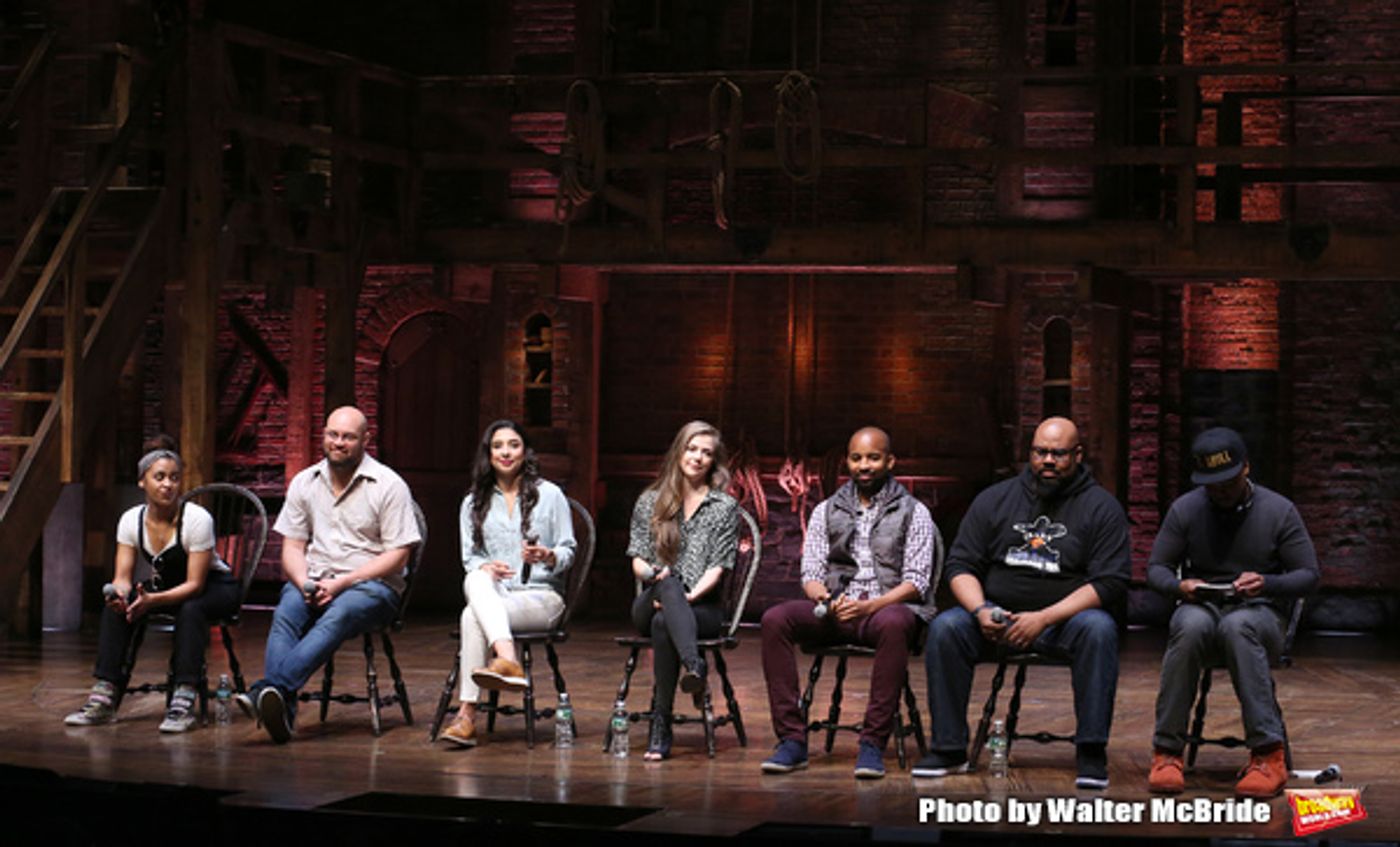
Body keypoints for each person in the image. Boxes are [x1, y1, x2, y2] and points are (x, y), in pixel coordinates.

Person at [914, 416, 1130, 789]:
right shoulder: (996, 498)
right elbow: (960, 564)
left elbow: (1109, 582)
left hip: (1064, 621)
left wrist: (1044, 618)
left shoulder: (1101, 507)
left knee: (1100, 629)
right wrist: (980, 610)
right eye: (1040, 452)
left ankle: (1091, 750)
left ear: (1077, 455)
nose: (1048, 460)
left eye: (1058, 454)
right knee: (947, 627)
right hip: (997, 615)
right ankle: (948, 748)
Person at [759, 426, 942, 780]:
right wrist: (826, 599)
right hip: (837, 608)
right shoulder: (826, 510)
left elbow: (917, 583)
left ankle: (872, 742)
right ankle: (792, 741)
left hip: (884, 610)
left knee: (894, 623)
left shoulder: (913, 511)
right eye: (857, 458)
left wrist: (869, 606)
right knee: (774, 619)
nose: (865, 466)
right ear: (848, 461)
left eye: (873, 457)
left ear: (890, 461)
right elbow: (811, 573)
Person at [1146, 427, 1319, 798]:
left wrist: (1268, 583)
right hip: (1205, 610)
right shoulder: (1187, 509)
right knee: (1188, 625)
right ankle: (1167, 752)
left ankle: (1267, 755)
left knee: (1239, 626)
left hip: (1261, 615)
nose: (1220, 491)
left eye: (1227, 482)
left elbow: (1308, 575)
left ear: (1246, 469)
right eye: (1212, 485)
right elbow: (1156, 569)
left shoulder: (1278, 510)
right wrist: (1181, 586)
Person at [236, 406, 420, 743]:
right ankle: (280, 708)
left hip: (371, 587)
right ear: (324, 435)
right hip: (316, 578)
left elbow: (398, 556)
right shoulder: (306, 482)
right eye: (333, 434)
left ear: (366, 439)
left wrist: (342, 583)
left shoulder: (388, 485)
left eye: (348, 437)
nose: (339, 442)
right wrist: (304, 581)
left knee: (339, 612)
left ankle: (269, 689)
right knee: (287, 611)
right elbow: (292, 547)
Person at [64, 435, 241, 732]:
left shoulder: (197, 519)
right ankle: (105, 696)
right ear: (142, 481)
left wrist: (151, 602)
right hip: (170, 586)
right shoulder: (131, 520)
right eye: (159, 477)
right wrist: (120, 595)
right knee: (119, 606)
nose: (168, 484)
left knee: (191, 608)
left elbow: (195, 585)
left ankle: (183, 697)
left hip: (214, 587)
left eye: (174, 478)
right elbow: (122, 576)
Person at [438, 421, 577, 747]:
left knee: (473, 614)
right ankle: (506, 662)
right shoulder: (473, 502)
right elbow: (470, 558)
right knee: (474, 585)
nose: (505, 452)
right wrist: (486, 566)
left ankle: (466, 715)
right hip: (497, 595)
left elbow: (569, 550)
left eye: (513, 445)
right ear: (488, 453)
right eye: (498, 445)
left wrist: (547, 555)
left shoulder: (550, 495)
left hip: (541, 597)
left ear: (524, 451)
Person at [627, 420, 741, 761]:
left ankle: (660, 726)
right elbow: (636, 559)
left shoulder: (723, 507)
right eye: (692, 449)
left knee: (667, 622)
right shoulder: (651, 501)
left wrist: (687, 599)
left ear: (714, 461)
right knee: (667, 583)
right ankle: (696, 667)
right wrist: (656, 578)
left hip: (700, 608)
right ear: (679, 451)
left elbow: (718, 567)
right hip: (651, 600)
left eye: (706, 453)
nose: (698, 457)